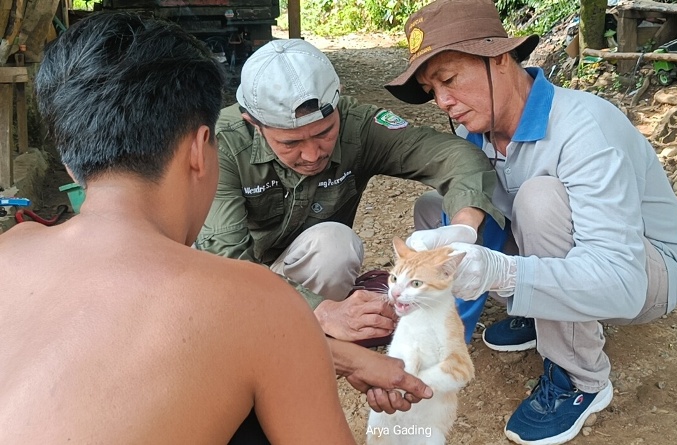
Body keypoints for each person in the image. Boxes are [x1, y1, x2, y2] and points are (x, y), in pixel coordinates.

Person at [0, 12, 431, 445]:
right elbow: (254, 333)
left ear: (72, 163)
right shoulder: (258, 303)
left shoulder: (10, 249)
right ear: (200, 150)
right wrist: (322, 352)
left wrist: (341, 358)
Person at [385, 1, 677, 444]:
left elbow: (623, 283)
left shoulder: (584, 128)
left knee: (539, 198)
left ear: (499, 59)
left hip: (648, 274)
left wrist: (501, 271)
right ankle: (541, 312)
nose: (444, 102)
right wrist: (458, 230)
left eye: (450, 80)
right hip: (582, 256)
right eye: (431, 90)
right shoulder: (475, 127)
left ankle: (580, 377)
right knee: (435, 205)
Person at [195, 38, 505, 344]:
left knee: (336, 245)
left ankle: (305, 331)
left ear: (339, 103)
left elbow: (456, 156)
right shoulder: (220, 145)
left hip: (306, 269)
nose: (313, 154)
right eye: (290, 143)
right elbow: (226, 264)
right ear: (254, 123)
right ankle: (295, 332)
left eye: (325, 133)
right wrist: (324, 311)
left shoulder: (359, 126)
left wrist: (463, 228)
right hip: (233, 281)